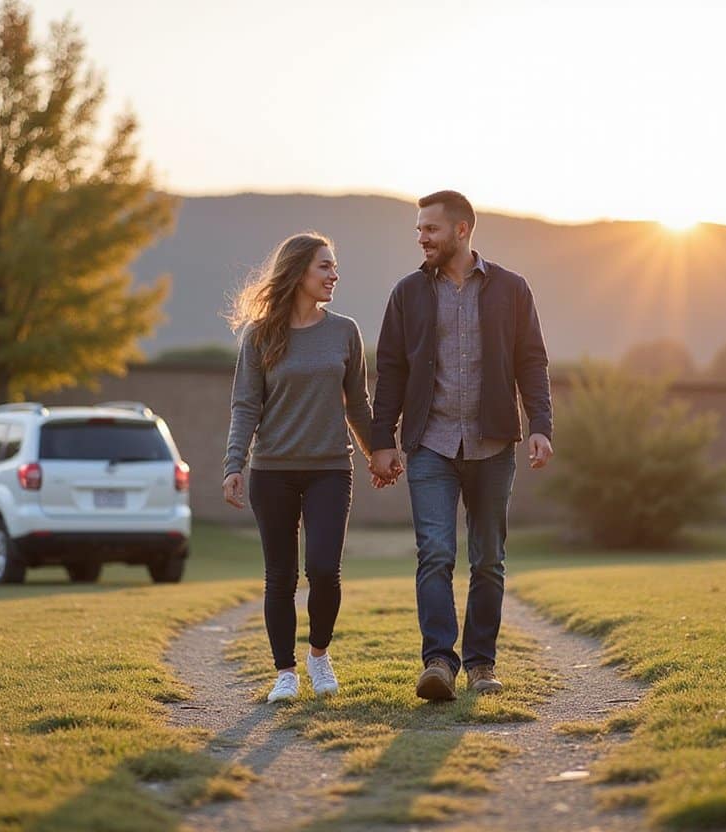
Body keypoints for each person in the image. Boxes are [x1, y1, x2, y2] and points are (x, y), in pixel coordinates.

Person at [369, 190, 554, 701]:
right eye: (419, 230)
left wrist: (541, 424)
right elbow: (390, 371)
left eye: (430, 229)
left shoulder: (511, 289)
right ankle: (438, 662)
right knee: (435, 553)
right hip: (430, 444)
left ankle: (481, 663)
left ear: (462, 230)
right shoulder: (407, 293)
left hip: (493, 444)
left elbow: (531, 361)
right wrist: (382, 441)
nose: (422, 238)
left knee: (489, 558)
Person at [223, 232, 385, 703]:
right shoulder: (260, 336)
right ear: (298, 272)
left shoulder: (345, 331)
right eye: (325, 267)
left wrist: (377, 452)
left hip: (331, 469)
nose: (334, 275)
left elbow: (359, 404)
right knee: (280, 576)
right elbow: (244, 407)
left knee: (324, 570)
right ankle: (285, 673)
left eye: (334, 267)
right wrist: (234, 464)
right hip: (271, 471)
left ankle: (318, 656)